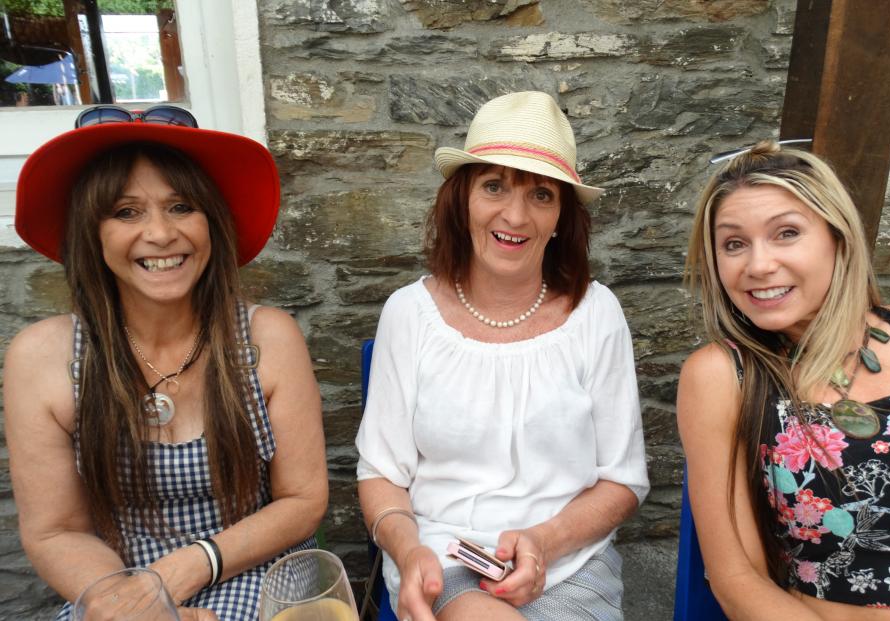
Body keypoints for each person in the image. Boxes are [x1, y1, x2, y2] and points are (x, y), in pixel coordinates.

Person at [5, 105, 329, 620]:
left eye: (181, 207)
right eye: (126, 212)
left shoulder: (269, 338)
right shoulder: (42, 358)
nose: (159, 234)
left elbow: (303, 501)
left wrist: (187, 570)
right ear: (91, 231)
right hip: (115, 579)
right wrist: (136, 605)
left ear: (212, 223)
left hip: (251, 563)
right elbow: (55, 529)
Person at [355, 91, 650, 621]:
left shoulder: (597, 313)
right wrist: (407, 548)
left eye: (541, 195)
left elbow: (622, 480)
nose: (515, 215)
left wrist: (544, 541)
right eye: (494, 186)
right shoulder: (408, 314)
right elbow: (381, 475)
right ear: (461, 199)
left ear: (562, 216)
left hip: (567, 561)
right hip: (444, 558)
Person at [678, 140, 890, 619]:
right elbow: (736, 579)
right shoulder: (727, 376)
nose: (758, 265)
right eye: (734, 243)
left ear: (837, 237)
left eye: (786, 233)